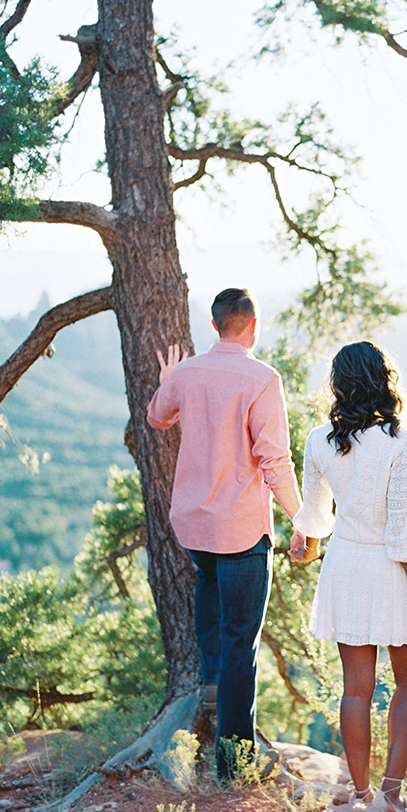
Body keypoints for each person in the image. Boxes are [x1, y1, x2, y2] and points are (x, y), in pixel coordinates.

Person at [147, 287, 305, 780]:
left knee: (212, 599)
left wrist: (168, 380)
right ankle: (234, 765)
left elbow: (157, 416)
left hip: (194, 528)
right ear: (254, 327)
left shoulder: (188, 372)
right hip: (240, 530)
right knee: (243, 642)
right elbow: (274, 460)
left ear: (215, 326)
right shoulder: (263, 379)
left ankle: (213, 690)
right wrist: (302, 520)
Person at [289, 340, 407, 812]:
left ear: (339, 385)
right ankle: (392, 796)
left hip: (345, 566)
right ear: (384, 380)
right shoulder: (402, 441)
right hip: (393, 571)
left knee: (355, 688)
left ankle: (361, 795)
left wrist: (306, 547)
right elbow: (403, 529)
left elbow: (313, 518)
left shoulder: (319, 440)